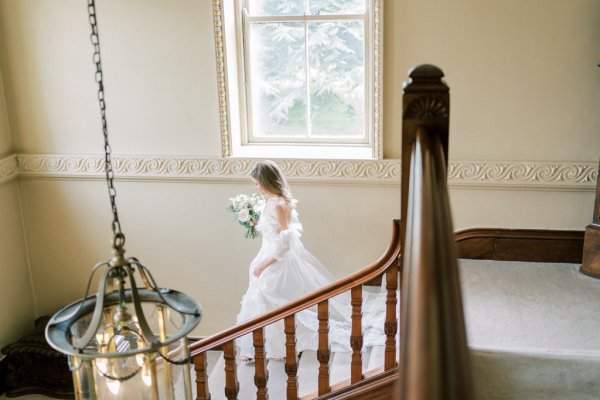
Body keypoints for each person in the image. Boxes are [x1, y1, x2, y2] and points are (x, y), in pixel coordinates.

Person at [235, 160, 386, 361]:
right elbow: (271, 228)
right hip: (266, 255)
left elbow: (285, 242)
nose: (256, 187)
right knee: (264, 302)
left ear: (267, 181)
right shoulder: (270, 201)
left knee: (267, 298)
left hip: (275, 262)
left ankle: (274, 348)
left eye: (257, 183)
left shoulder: (280, 204)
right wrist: (253, 222)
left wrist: (264, 264)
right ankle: (263, 348)